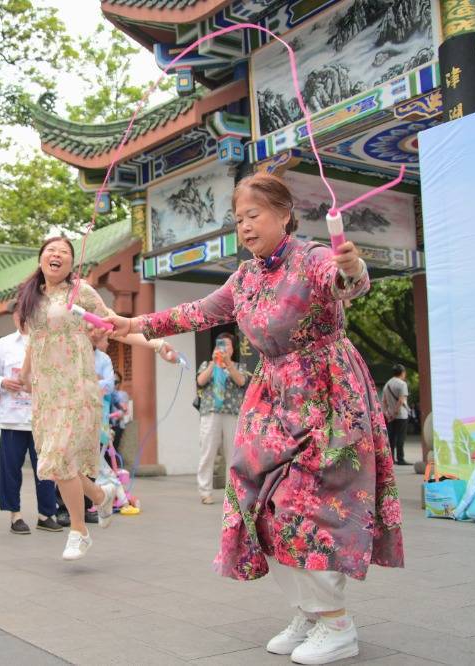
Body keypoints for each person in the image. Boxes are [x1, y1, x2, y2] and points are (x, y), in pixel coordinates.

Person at [105, 174, 404, 665]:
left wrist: (353, 268)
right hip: (271, 403)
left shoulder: (312, 258)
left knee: (305, 505)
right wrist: (133, 324)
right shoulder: (244, 278)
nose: (244, 226)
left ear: (285, 214)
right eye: (238, 218)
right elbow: (196, 312)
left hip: (327, 399)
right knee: (260, 504)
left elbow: (346, 280)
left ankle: (337, 624)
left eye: (254, 215)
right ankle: (308, 611)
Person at [17, 236, 175, 560]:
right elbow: (34, 339)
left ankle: (79, 530)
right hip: (46, 392)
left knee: (58, 458)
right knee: (55, 463)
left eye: (64, 252)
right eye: (51, 250)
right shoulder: (32, 296)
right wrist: (24, 373)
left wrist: (157, 345)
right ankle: (101, 496)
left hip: (76, 387)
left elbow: (115, 326)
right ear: (41, 259)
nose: (56, 255)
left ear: (72, 263)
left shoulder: (81, 292)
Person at [0, 304, 62, 535]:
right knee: (11, 469)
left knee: (45, 468)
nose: (25, 317)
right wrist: (3, 383)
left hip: (43, 418)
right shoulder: (4, 344)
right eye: (20, 313)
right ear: (14, 317)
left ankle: (46, 514)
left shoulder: (49, 342)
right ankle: (14, 515)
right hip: (13, 419)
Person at [194, 332, 249, 504]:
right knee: (207, 452)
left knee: (232, 455)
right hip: (211, 412)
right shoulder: (206, 365)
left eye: (227, 345)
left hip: (232, 413)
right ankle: (205, 492)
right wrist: (214, 363)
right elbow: (201, 381)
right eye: (220, 344)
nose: (223, 348)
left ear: (233, 348)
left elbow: (241, 381)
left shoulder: (239, 367)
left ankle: (231, 494)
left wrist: (228, 364)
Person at [381, 364, 411, 465]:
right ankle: (400, 458)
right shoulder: (402, 384)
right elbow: (401, 400)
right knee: (400, 437)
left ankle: (391, 459)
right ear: (402, 372)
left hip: (390, 416)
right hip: (401, 415)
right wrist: (395, 412)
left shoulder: (387, 384)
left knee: (391, 437)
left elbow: (384, 401)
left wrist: (387, 413)